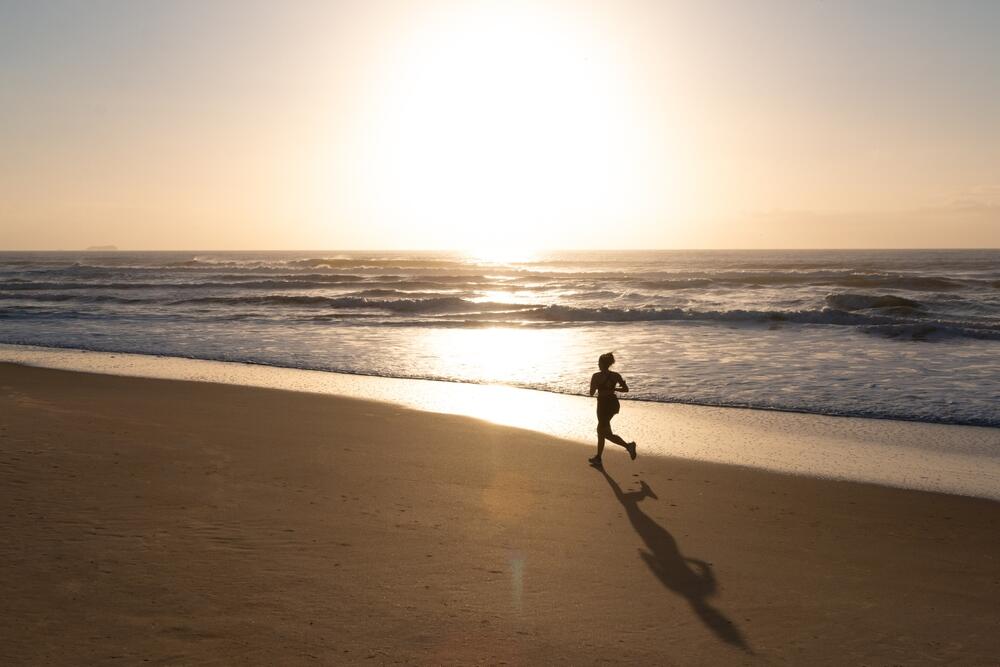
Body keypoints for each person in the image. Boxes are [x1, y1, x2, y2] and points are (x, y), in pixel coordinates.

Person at [588, 352, 636, 466]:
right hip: (613, 404)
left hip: (603, 406)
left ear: (602, 364)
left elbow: (591, 393)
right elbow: (626, 389)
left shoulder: (596, 376)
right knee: (602, 431)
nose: (598, 364)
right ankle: (598, 458)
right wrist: (614, 389)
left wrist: (596, 386)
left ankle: (628, 446)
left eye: (599, 363)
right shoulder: (615, 375)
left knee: (603, 432)